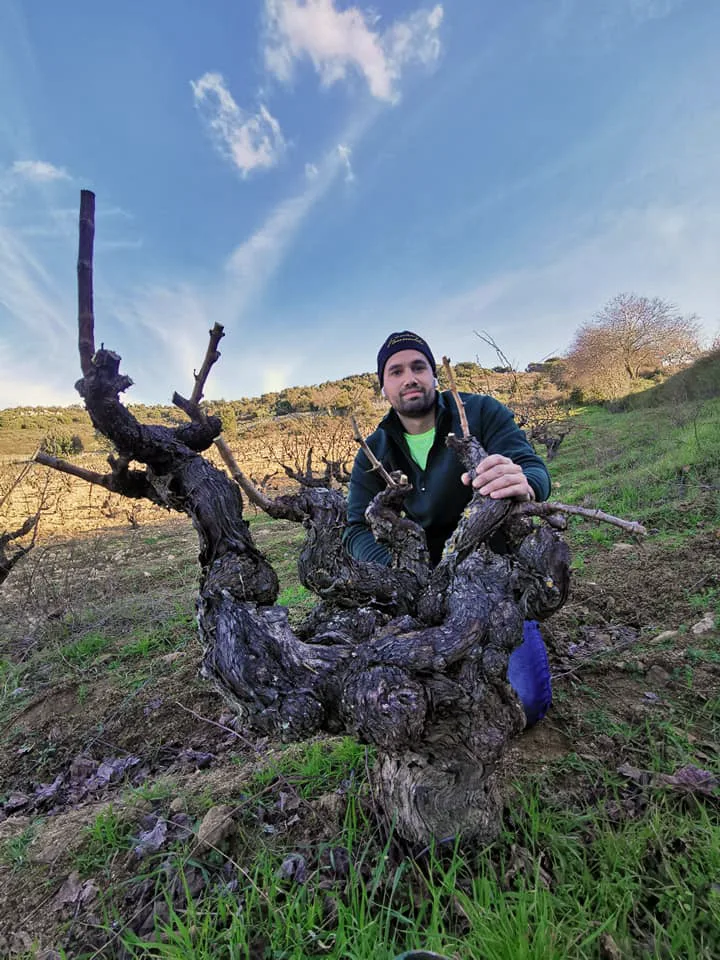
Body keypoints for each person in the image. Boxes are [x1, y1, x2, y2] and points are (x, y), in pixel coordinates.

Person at [343, 330, 553, 726]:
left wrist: (523, 481)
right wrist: (403, 572)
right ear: (383, 386)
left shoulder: (482, 413)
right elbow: (355, 529)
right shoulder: (372, 452)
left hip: (493, 577)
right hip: (417, 589)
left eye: (419, 366)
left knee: (526, 703)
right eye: (396, 371)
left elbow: (533, 468)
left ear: (434, 375)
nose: (410, 378)